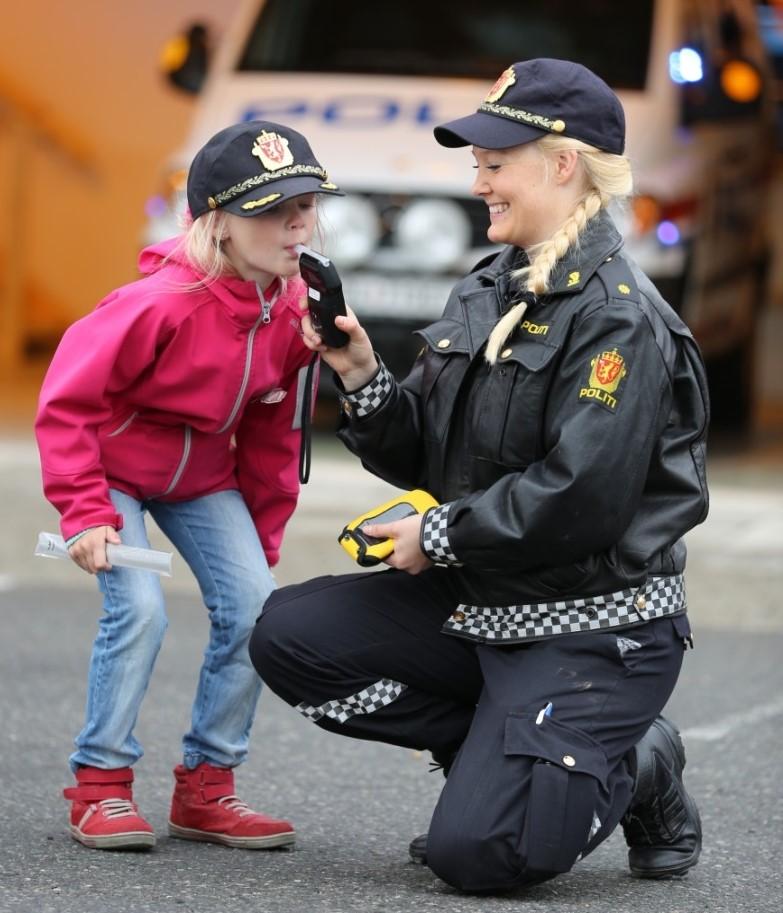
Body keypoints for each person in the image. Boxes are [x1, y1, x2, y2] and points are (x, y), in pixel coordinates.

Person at [248, 59, 709, 893]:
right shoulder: (492, 284)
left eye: (495, 162)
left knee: (479, 858)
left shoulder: (619, 317)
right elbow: (431, 450)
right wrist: (361, 374)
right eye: (478, 162)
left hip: (588, 629)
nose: (478, 179)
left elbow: (583, 500)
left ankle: (635, 763)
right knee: (289, 636)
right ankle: (509, 761)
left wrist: (438, 534)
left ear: (562, 164)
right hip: (484, 598)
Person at [35, 120, 343, 851]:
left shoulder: (293, 310)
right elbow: (67, 403)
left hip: (201, 479)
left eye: (304, 203)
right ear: (218, 222)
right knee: (139, 608)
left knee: (255, 611)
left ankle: (208, 786)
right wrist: (83, 512)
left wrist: (261, 537)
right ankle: (100, 784)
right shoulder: (157, 303)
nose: (296, 223)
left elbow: (274, 435)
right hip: (111, 475)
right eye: (272, 209)